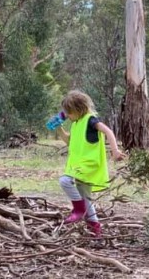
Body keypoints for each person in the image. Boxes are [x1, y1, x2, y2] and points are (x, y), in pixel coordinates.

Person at [56, 90, 125, 237]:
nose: (67, 116)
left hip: (89, 164)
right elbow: (70, 141)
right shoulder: (76, 124)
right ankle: (96, 229)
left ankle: (78, 210)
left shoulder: (91, 120)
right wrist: (59, 128)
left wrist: (115, 151)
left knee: (65, 181)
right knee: (85, 198)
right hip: (78, 164)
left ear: (79, 109)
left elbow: (108, 132)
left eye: (69, 112)